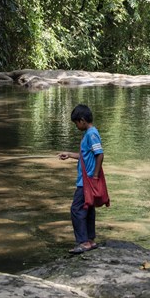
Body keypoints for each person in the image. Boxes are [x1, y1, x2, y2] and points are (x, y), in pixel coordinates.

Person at [57, 104, 104, 254]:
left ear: (82, 120)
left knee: (76, 209)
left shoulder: (91, 134)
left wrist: (95, 176)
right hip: (87, 179)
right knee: (88, 208)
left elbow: (100, 154)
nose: (76, 126)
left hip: (87, 181)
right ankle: (90, 240)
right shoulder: (89, 134)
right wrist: (69, 155)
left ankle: (83, 242)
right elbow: (85, 156)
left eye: (76, 123)